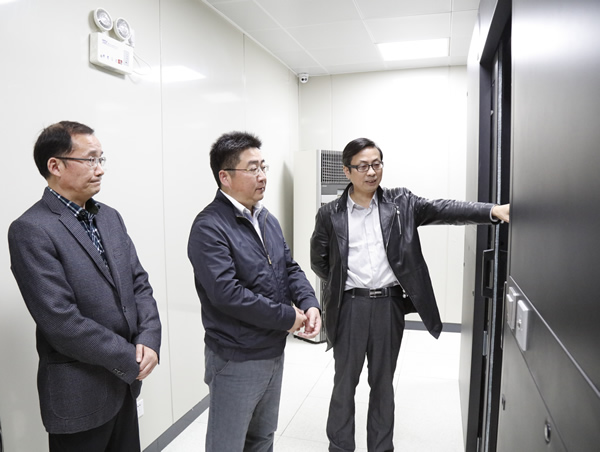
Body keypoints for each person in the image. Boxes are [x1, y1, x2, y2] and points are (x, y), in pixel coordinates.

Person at [310, 137, 510, 452]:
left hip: (389, 306)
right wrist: (343, 285)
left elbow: (444, 209)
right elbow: (319, 261)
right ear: (347, 171)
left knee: (383, 385)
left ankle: (381, 447)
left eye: (377, 164)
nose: (371, 172)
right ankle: (340, 446)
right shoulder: (330, 213)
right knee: (344, 384)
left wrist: (493, 211)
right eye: (363, 166)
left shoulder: (401, 202)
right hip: (349, 307)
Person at [7, 121, 161, 452]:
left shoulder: (110, 217)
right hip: (79, 395)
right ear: (55, 166)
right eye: (90, 159)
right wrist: (129, 357)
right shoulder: (31, 229)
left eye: (101, 159)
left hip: (125, 386)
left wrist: (149, 339)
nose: (100, 169)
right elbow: (60, 321)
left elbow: (139, 284)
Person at [188, 131, 322, 452]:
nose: (262, 176)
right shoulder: (209, 227)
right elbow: (228, 294)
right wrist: (287, 317)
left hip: (272, 350)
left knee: (262, 439)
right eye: (253, 169)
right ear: (225, 177)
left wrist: (309, 302)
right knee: (227, 445)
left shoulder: (265, 218)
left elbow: (288, 267)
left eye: (263, 166)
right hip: (236, 357)